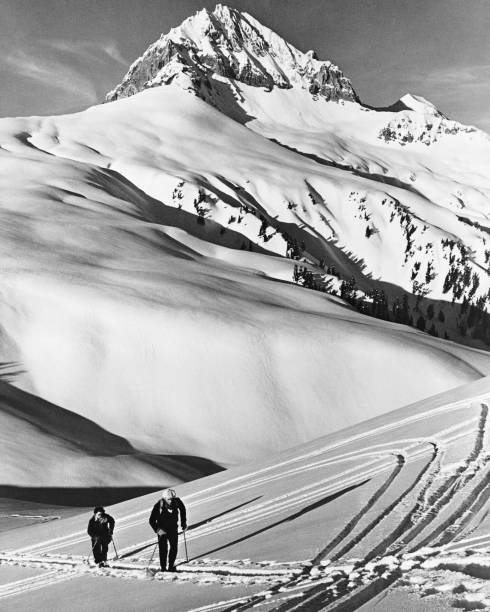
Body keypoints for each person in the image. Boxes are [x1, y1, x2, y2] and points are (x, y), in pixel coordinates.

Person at [149, 489, 187, 572]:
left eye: (172, 498)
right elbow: (151, 520)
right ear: (165, 498)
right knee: (163, 549)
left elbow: (183, 509)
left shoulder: (177, 501)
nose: (171, 500)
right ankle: (163, 568)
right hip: (162, 530)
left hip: (173, 528)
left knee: (174, 547)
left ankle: (170, 566)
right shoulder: (158, 505)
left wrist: (183, 523)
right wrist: (158, 530)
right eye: (169, 499)